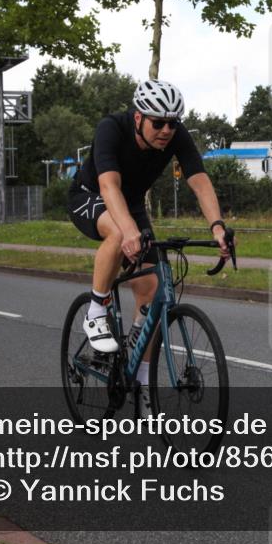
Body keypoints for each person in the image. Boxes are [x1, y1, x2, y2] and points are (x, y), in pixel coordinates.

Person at [67, 79, 231, 411]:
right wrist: (127, 231)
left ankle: (140, 379)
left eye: (173, 123)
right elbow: (109, 184)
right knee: (117, 233)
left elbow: (199, 180)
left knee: (153, 291)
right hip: (92, 196)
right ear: (140, 117)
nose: (167, 130)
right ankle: (97, 311)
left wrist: (217, 227)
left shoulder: (176, 135)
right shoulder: (112, 128)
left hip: (132, 205)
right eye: (158, 122)